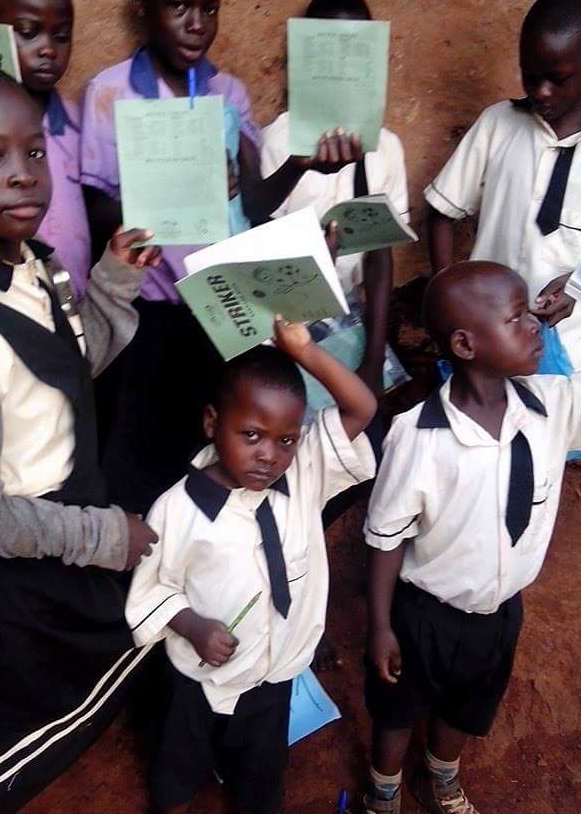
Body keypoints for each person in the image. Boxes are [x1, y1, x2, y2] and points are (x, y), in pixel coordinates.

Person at [0, 63, 160, 813]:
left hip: (66, 524)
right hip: (12, 570)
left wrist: (113, 282)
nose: (23, 173)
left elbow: (68, 368)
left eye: (33, 152)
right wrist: (101, 536)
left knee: (91, 673)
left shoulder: (37, 265)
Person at [80, 0, 367, 515]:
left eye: (209, 9)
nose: (196, 24)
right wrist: (169, 186)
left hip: (219, 313)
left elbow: (253, 204)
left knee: (208, 448)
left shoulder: (228, 94)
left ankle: (198, 554)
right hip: (146, 315)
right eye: (178, 5)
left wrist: (300, 164)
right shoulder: (110, 94)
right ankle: (138, 562)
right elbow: (96, 209)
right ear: (142, 4)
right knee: (135, 453)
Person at [363, 261, 581, 814]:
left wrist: (576, 301)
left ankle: (440, 778)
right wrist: (381, 626)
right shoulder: (417, 437)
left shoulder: (553, 406)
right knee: (397, 710)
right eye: (517, 318)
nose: (535, 325)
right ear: (465, 344)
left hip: (502, 609)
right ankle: (383, 790)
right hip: (424, 616)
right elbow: (387, 538)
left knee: (468, 706)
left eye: (530, 313)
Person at [125, 320, 377, 813]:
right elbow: (153, 588)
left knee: (260, 779)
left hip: (274, 674)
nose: (269, 455)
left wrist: (305, 352)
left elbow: (362, 408)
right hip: (199, 679)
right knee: (176, 772)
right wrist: (193, 626)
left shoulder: (305, 474)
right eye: (252, 435)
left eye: (286, 440)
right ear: (212, 423)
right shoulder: (177, 510)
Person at [426, 0, 581, 372]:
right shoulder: (498, 125)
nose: (541, 92)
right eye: (529, 77)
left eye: (557, 79)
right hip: (486, 344)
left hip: (575, 349)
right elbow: (440, 214)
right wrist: (449, 305)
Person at [262, 0, 410, 398]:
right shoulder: (279, 141)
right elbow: (261, 245)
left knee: (361, 418)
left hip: (348, 314)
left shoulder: (387, 148)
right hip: (284, 319)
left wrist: (374, 358)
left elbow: (380, 257)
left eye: (357, 52)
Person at [0, 0, 92, 299]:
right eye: (28, 32)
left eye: (61, 36)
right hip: (9, 303)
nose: (48, 50)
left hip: (76, 304)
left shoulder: (77, 121)